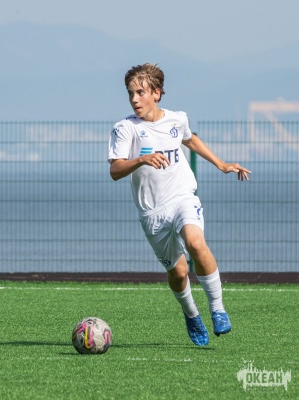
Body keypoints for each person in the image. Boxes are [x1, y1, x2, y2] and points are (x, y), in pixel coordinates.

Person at [108, 63, 251, 346]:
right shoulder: (125, 128)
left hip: (182, 196)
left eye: (140, 92)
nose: (134, 99)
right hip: (152, 212)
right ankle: (191, 314)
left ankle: (218, 309)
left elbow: (190, 139)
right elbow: (115, 170)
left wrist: (221, 164)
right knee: (178, 271)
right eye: (130, 93)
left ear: (156, 93)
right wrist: (141, 159)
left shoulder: (177, 119)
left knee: (196, 242)